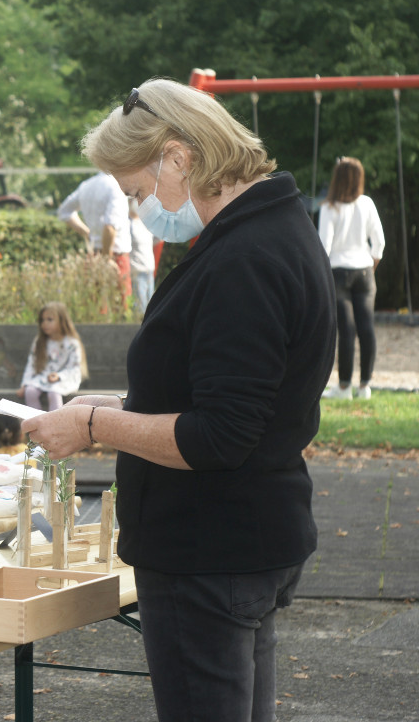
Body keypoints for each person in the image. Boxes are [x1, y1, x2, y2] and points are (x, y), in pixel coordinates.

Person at [20, 78, 335, 722]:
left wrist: (96, 423)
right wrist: (128, 404)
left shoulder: (241, 259)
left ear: (179, 157)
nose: (139, 209)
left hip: (209, 549)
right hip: (244, 536)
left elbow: (218, 435)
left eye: (137, 190)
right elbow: (221, 386)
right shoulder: (270, 227)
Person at [318, 156, 385, 400]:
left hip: (338, 273)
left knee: (346, 331)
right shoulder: (367, 204)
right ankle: (365, 386)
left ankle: (344, 387)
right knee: (367, 328)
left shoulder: (329, 207)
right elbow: (379, 242)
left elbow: (323, 248)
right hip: (365, 271)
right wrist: (372, 266)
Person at [57, 171, 133, 302]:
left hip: (94, 255)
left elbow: (64, 211)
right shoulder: (117, 186)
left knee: (95, 304)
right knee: (121, 306)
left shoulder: (87, 185)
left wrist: (87, 232)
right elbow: (110, 227)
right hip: (114, 256)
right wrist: (107, 258)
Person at [18, 302, 87, 411]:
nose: (44, 323)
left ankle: (56, 424)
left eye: (49, 319)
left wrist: (59, 376)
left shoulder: (72, 344)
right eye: (42, 320)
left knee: (53, 393)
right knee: (30, 391)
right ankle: (35, 423)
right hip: (43, 377)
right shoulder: (39, 342)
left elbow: (74, 368)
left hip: (64, 379)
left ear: (62, 320)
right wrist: (25, 384)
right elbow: (31, 364)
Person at [128, 196, 157, 314]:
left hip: (149, 271)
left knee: (150, 309)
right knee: (140, 310)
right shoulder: (127, 224)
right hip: (137, 272)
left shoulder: (145, 223)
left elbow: (157, 239)